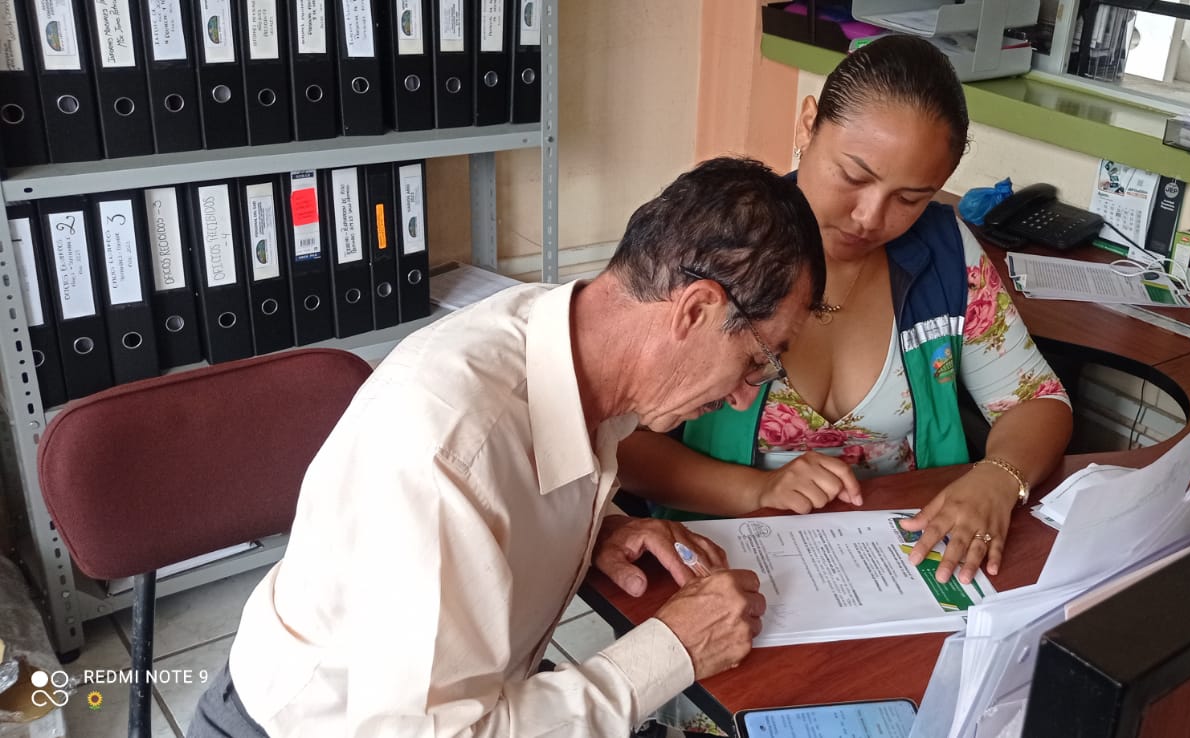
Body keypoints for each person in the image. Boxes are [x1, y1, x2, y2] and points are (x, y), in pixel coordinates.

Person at [188, 157, 827, 737]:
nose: (744, 396)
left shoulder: (573, 336)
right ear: (694, 310)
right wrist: (672, 650)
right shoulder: (446, 451)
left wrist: (596, 526)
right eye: (757, 359)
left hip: (467, 689)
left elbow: (513, 484)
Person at [618, 36, 1075, 587]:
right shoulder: (715, 242)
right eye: (854, 176)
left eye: (910, 198)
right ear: (807, 125)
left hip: (901, 559)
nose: (870, 217)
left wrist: (998, 478)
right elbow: (617, 440)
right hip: (722, 554)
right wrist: (757, 490)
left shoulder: (945, 255)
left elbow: (1038, 401)